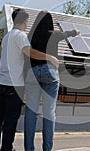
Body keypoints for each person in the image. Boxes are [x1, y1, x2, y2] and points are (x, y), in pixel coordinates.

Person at [0, 8, 58, 151]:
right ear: (24, 21)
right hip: (13, 83)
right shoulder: (20, 36)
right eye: (26, 21)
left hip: (1, 80)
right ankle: (7, 148)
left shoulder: (6, 37)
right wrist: (49, 57)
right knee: (10, 119)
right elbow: (29, 52)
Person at [24, 11, 79, 151]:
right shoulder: (53, 34)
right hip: (49, 71)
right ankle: (47, 148)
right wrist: (76, 32)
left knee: (31, 112)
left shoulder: (29, 36)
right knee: (49, 112)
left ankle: (29, 148)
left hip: (32, 72)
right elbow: (67, 34)